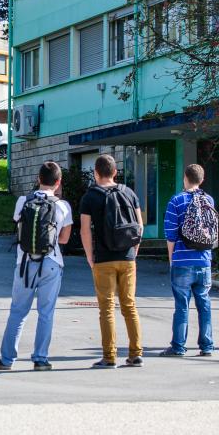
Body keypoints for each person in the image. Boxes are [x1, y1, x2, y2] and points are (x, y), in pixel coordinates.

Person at [0, 162, 72, 371]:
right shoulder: (63, 206)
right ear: (58, 181)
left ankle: (7, 359)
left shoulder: (23, 201)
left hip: (25, 263)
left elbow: (17, 225)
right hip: (52, 263)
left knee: (18, 311)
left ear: (38, 178)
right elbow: (64, 239)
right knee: (46, 312)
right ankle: (40, 359)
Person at [80, 154, 144, 368]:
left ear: (96, 173)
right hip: (127, 257)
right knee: (129, 305)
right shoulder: (129, 193)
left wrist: (90, 255)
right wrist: (134, 250)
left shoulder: (90, 197)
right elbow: (139, 226)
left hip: (103, 258)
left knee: (106, 308)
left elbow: (85, 230)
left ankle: (109, 356)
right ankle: (136, 353)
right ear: (115, 172)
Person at [160, 164, 216, 357]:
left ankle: (178, 346)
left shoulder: (176, 201)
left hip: (182, 260)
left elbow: (170, 235)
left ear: (185, 178)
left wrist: (171, 259)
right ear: (202, 179)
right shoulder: (208, 200)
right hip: (204, 260)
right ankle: (207, 345)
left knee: (182, 305)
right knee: (204, 303)